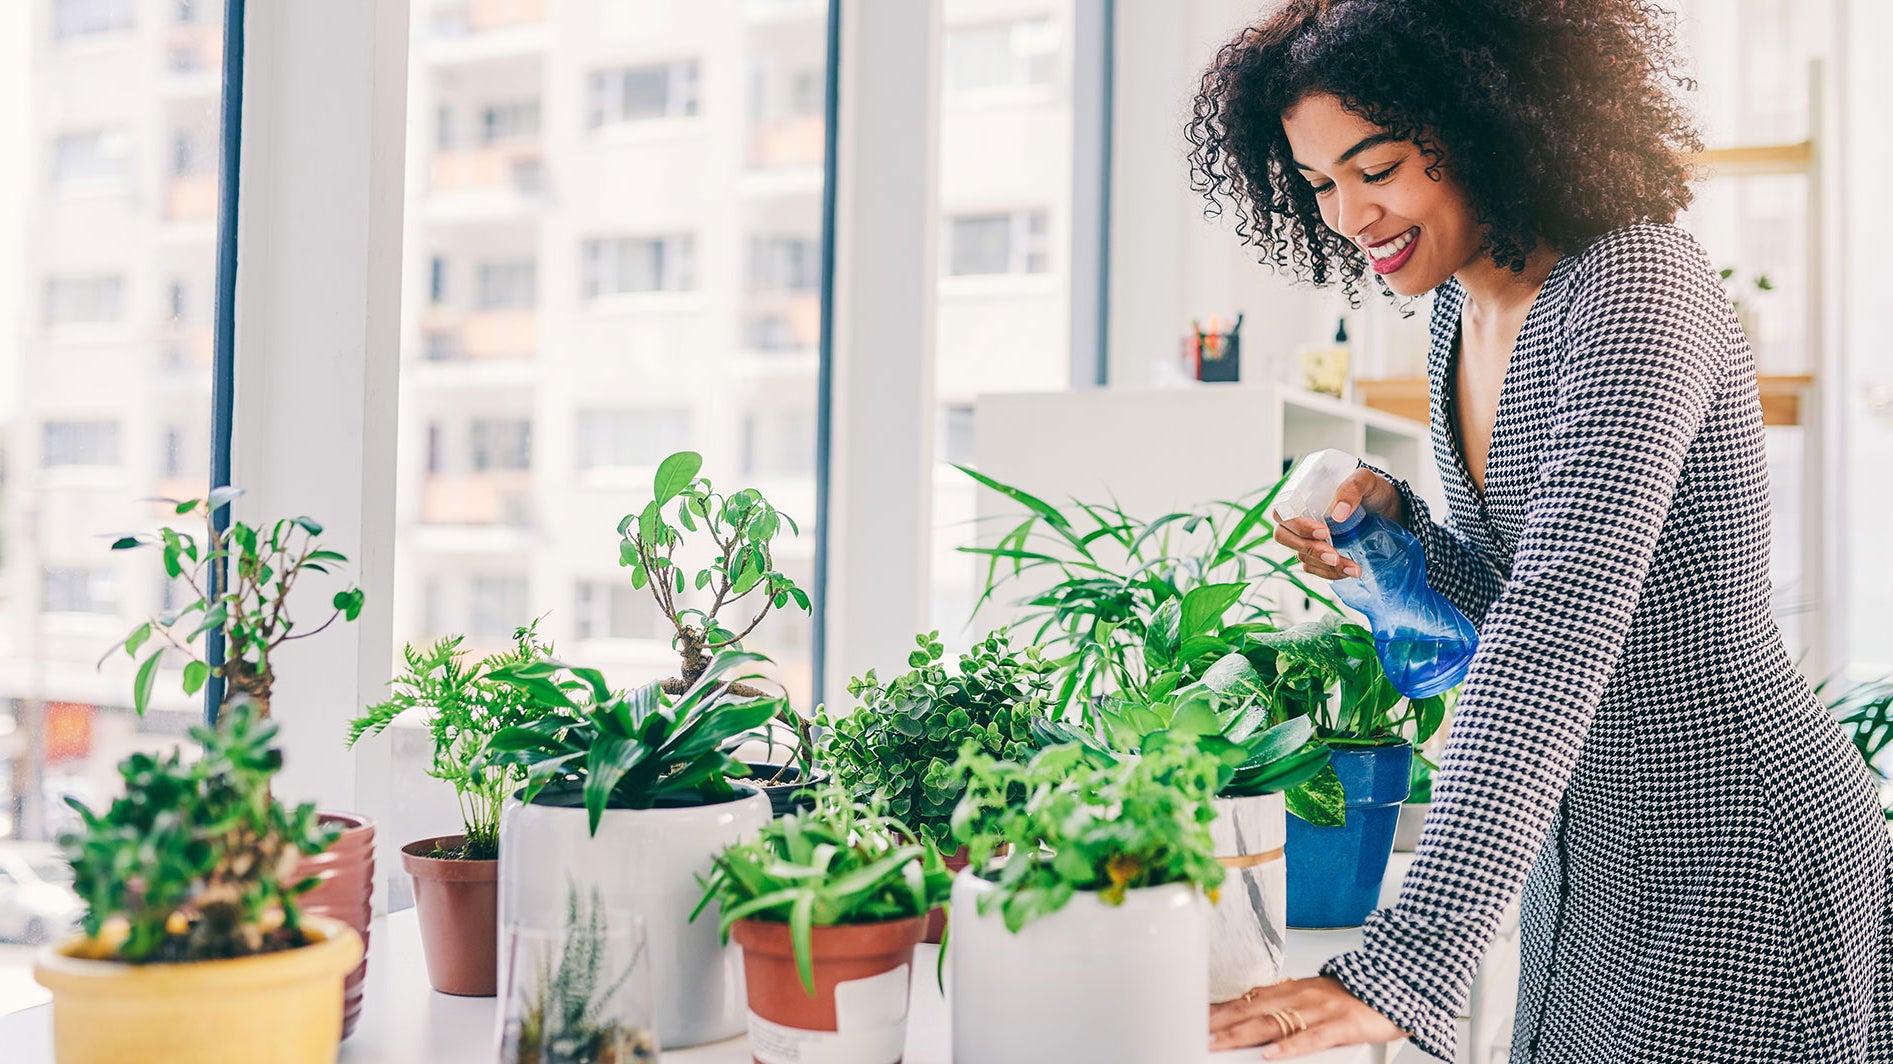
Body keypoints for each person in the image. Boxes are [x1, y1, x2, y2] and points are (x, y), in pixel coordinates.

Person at [1185, 1, 1893, 1061]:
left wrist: (1413, 952)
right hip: (1589, 850)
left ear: (1485, 122)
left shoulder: (1636, 286)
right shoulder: (1455, 314)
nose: (1347, 213)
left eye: (1374, 167)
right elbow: (1510, 591)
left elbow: (1561, 620)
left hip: (1737, 844)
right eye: (1322, 184)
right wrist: (1404, 531)